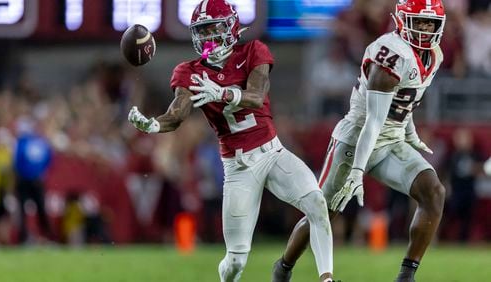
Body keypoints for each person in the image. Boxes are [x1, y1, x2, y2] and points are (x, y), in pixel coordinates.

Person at [127, 1, 334, 281]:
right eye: (202, 30)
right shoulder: (189, 71)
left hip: (272, 153)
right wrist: (153, 124)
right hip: (238, 167)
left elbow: (256, 95)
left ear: (232, 27)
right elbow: (177, 114)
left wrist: (223, 94)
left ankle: (327, 279)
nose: (208, 36)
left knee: (316, 204)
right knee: (236, 260)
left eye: (214, 27)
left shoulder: (253, 52)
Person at [272, 0, 447, 281]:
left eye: (430, 23)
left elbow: (406, 101)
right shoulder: (390, 55)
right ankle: (283, 268)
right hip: (355, 140)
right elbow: (372, 122)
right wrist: (356, 172)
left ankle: (406, 276)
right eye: (420, 22)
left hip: (391, 140)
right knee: (324, 214)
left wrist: (411, 135)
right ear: (401, 20)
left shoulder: (434, 54)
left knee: (434, 192)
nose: (426, 29)